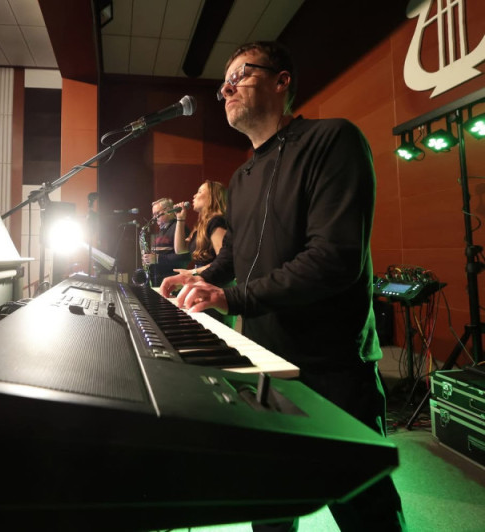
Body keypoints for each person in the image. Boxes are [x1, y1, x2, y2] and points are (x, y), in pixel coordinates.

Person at [161, 41, 405, 530]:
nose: (228, 88)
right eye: (224, 83)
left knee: (363, 507)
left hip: (333, 366)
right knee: (270, 504)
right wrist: (201, 277)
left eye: (241, 74)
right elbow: (236, 255)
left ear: (282, 80)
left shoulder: (333, 140)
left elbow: (334, 259)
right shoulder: (242, 177)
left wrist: (230, 297)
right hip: (264, 362)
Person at [172, 180, 236, 328]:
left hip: (217, 287)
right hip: (205, 285)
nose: (194, 195)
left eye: (200, 191)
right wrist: (180, 219)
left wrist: (193, 272)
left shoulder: (217, 221)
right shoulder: (201, 225)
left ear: (213, 197)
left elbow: (224, 262)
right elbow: (180, 249)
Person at [143, 197, 190, 286]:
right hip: (158, 280)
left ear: (168, 210)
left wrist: (158, 259)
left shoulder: (179, 227)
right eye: (153, 215)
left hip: (172, 282)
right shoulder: (162, 230)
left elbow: (185, 257)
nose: (154, 218)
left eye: (157, 213)